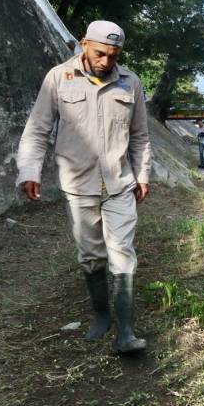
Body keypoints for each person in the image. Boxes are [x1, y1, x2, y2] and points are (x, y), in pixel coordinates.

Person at [16, 20, 150, 353]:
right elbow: (37, 130)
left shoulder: (130, 82)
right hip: (78, 186)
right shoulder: (59, 78)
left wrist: (143, 174)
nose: (107, 61)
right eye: (101, 53)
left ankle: (126, 332)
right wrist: (29, 170)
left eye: (114, 54)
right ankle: (102, 315)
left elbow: (140, 137)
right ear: (83, 44)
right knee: (91, 257)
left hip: (119, 184)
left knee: (123, 256)